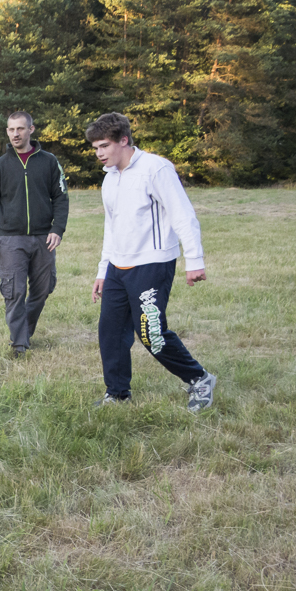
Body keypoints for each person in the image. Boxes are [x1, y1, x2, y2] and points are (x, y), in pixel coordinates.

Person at [85, 113, 217, 411]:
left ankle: (199, 379)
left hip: (152, 265)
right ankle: (117, 393)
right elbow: (111, 227)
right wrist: (103, 270)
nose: (99, 154)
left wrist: (194, 260)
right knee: (110, 333)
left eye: (104, 146)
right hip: (117, 267)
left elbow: (183, 215)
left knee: (151, 334)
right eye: (95, 148)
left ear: (123, 140)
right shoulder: (110, 178)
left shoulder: (156, 169)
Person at [0, 110, 69, 355]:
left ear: (31, 129)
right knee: (14, 292)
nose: (15, 134)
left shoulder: (49, 162)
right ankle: (19, 344)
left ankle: (24, 332)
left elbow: (61, 198)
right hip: (11, 239)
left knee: (43, 289)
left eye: (20, 128)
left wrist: (57, 229)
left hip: (43, 238)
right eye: (11, 129)